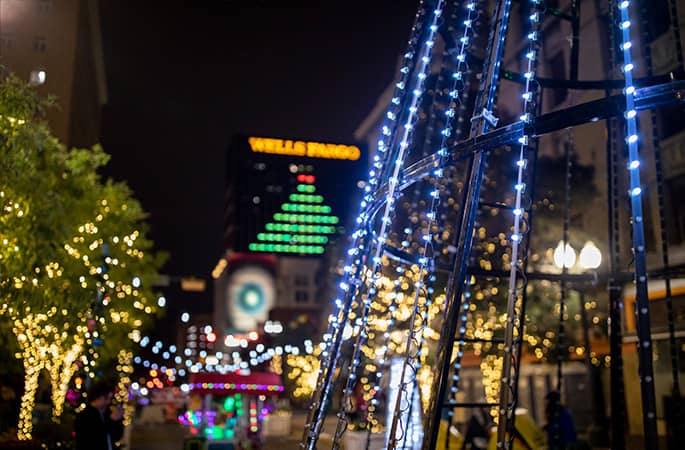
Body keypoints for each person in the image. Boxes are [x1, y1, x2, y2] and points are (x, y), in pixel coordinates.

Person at [74, 381, 124, 450]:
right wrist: (111, 420)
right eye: (106, 398)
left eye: (110, 398)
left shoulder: (107, 413)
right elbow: (93, 438)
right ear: (97, 397)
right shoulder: (85, 416)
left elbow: (116, 436)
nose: (108, 402)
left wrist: (118, 420)